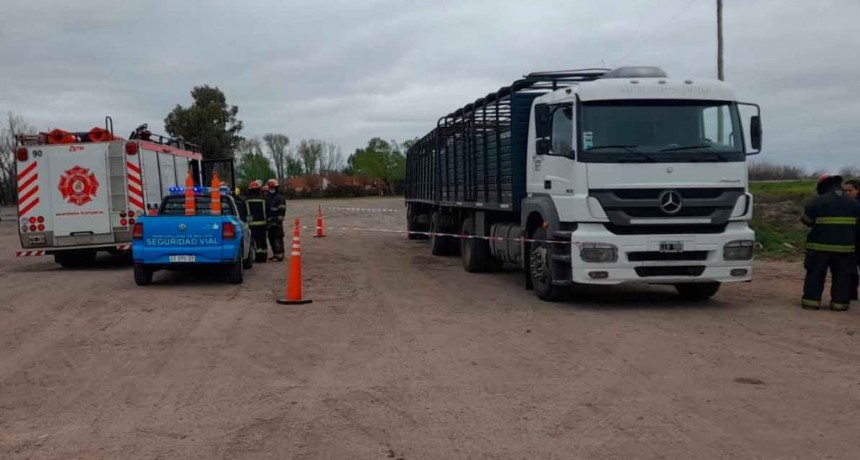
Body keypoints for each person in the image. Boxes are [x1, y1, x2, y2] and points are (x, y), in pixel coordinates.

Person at [800, 174, 860, 311]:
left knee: (815, 275)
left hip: (819, 248)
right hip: (845, 249)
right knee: (842, 277)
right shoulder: (853, 202)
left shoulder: (818, 201)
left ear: (822, 185)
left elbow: (806, 221)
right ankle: (840, 304)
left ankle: (811, 302)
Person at [244, 180, 270, 263]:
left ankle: (258, 258)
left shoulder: (246, 200)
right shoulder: (264, 200)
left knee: (255, 242)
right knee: (263, 241)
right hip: (263, 224)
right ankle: (264, 257)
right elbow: (268, 212)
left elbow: (242, 213)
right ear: (259, 190)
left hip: (251, 224)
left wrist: (247, 220)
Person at [843, 180, 860, 300]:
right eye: (845, 191)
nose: (847, 193)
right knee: (850, 269)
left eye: (850, 190)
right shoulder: (846, 204)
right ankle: (851, 294)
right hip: (851, 241)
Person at [266, 179, 286, 262]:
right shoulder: (268, 197)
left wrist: (276, 220)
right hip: (269, 223)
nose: (271, 189)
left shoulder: (280, 198)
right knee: (271, 239)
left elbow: (282, 211)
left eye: (273, 187)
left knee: (278, 238)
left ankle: (280, 255)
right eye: (270, 187)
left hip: (277, 223)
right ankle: (275, 254)